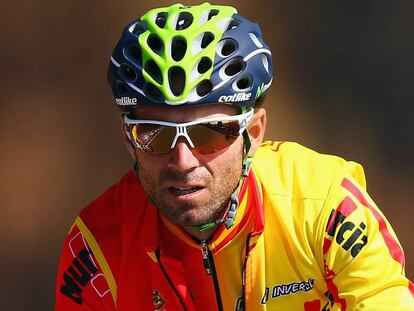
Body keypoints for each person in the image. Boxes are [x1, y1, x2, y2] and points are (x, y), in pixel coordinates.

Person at [55, 3, 414, 310]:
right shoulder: (99, 249)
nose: (183, 161)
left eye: (209, 132)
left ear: (253, 133)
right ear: (128, 139)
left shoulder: (323, 206)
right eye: (156, 134)